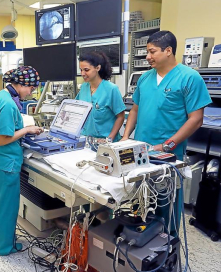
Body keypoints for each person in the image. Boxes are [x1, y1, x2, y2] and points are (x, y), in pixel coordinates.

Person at [121, 30, 212, 235]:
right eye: (147, 51)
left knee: (166, 205)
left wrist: (167, 145)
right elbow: (135, 109)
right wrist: (126, 138)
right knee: (140, 202)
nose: (147, 56)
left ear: (168, 51)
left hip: (168, 155)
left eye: (152, 52)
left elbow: (196, 119)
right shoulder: (145, 79)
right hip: (140, 151)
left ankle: (167, 249)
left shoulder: (190, 78)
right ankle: (140, 246)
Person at [0, 66, 43, 256]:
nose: (31, 93)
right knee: (7, 207)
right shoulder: (9, 104)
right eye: (31, 89)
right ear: (20, 84)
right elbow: (2, 139)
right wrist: (27, 130)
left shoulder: (1, 96)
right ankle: (5, 247)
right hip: (5, 163)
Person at [76, 51, 126, 142]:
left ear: (98, 68)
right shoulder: (84, 87)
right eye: (81, 70)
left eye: (86, 70)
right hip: (87, 141)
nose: (82, 73)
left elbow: (120, 117)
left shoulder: (111, 89)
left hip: (106, 142)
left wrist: (109, 139)